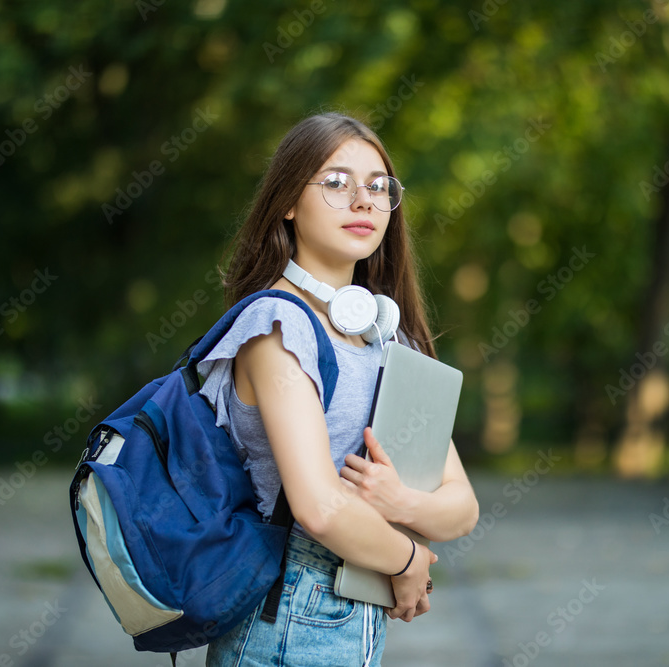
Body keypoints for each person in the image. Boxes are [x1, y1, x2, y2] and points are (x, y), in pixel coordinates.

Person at [198, 112, 480, 666]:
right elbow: (320, 508)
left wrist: (401, 502)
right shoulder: (277, 326)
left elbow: (463, 508)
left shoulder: (385, 333)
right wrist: (406, 559)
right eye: (336, 182)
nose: (364, 201)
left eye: (379, 187)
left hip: (358, 614)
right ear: (286, 201)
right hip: (285, 613)